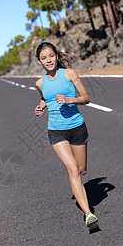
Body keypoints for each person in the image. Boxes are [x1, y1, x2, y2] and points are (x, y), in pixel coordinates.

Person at [34, 42, 98, 230]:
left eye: (51, 56)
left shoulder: (69, 74)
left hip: (77, 127)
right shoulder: (40, 83)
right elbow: (45, 97)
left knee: (82, 169)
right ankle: (89, 214)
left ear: (56, 55)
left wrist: (70, 100)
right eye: (44, 58)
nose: (48, 60)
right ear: (40, 61)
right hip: (56, 130)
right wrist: (41, 107)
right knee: (72, 170)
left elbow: (86, 98)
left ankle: (81, 187)